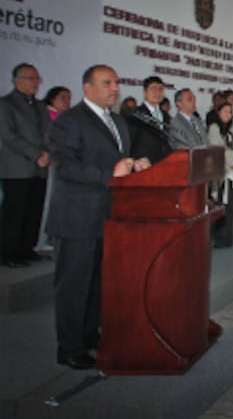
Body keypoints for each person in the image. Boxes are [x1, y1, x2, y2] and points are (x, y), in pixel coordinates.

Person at [46, 64, 151, 369]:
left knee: (96, 284)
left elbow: (116, 161)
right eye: (107, 83)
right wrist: (110, 173)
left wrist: (134, 165)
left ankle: (90, 335)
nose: (114, 88)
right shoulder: (70, 120)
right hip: (77, 218)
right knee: (74, 285)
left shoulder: (117, 121)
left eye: (116, 82)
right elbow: (64, 166)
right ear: (87, 88)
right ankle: (69, 348)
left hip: (109, 216)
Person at [0, 63, 51, 268]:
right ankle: (8, 253)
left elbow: (48, 133)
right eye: (31, 78)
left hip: (40, 167)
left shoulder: (40, 105)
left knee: (33, 210)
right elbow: (8, 135)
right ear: (16, 80)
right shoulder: (6, 104)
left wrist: (47, 152)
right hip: (17, 167)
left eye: (37, 79)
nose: (35, 83)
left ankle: (27, 249)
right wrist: (36, 154)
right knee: (15, 212)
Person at [34, 86, 72, 254]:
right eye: (63, 98)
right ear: (52, 98)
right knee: (48, 204)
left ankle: (52, 237)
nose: (67, 102)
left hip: (64, 165)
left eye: (69, 98)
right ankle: (43, 240)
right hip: (51, 165)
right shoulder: (47, 115)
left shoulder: (67, 117)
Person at [207, 102, 233, 248]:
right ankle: (219, 237)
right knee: (220, 205)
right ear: (218, 113)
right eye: (225, 111)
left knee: (230, 207)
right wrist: (231, 162)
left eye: (230, 112)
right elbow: (218, 149)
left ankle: (228, 237)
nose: (228, 114)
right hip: (221, 172)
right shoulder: (214, 128)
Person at [127, 75, 172, 165]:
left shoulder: (165, 115)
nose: (157, 92)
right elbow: (130, 142)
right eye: (153, 89)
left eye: (160, 89)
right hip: (143, 165)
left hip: (163, 164)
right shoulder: (136, 114)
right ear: (145, 92)